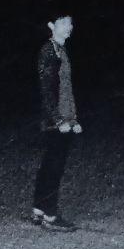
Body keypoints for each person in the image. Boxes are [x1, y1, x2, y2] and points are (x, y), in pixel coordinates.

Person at [31, 14, 82, 232]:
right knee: (54, 167)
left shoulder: (61, 50)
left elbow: (66, 90)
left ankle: (39, 209)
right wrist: (59, 120)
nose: (69, 27)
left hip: (64, 118)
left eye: (70, 23)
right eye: (64, 23)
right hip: (55, 121)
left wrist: (73, 119)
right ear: (51, 25)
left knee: (50, 164)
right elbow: (46, 90)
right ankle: (50, 215)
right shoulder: (48, 51)